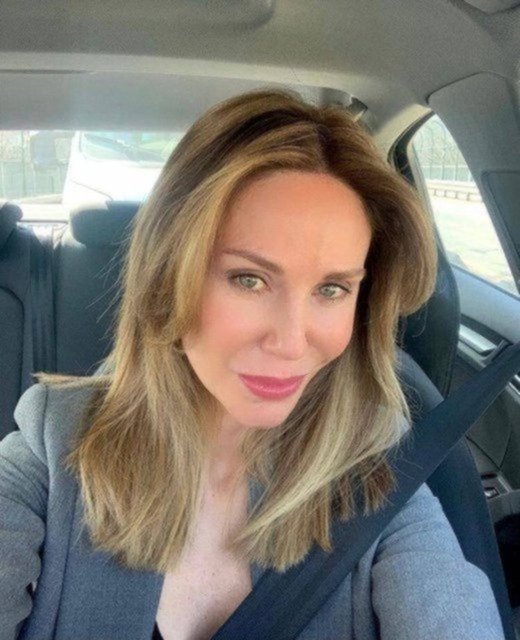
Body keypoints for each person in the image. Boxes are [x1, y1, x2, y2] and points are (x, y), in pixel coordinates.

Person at [0, 89, 505, 640]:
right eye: (249, 279)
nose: (291, 342)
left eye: (332, 289)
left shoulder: (376, 467)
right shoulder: (51, 448)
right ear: (167, 276)